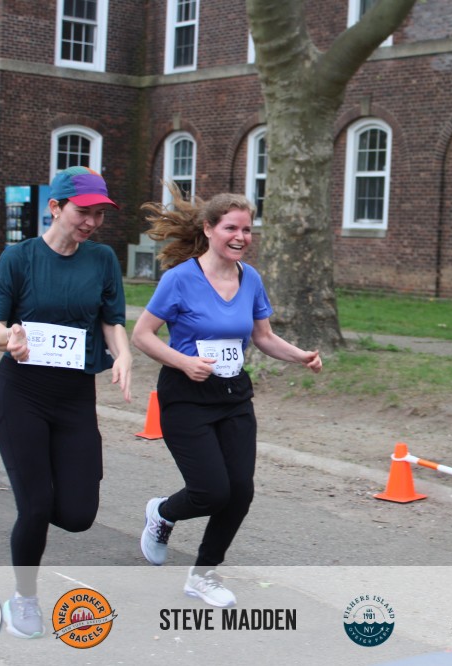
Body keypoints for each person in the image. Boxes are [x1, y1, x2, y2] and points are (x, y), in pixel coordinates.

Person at [132, 185, 321, 608]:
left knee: (240, 492)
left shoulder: (250, 278)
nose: (241, 237)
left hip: (233, 394)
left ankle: (203, 575)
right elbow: (142, 335)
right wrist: (183, 362)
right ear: (209, 229)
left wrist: (300, 356)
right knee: (210, 491)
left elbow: (263, 336)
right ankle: (162, 514)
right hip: (186, 396)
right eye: (231, 228)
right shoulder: (179, 279)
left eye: (247, 230)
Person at [0, 166, 132, 638]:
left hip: (75, 397)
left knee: (79, 515)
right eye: (83, 212)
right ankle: (24, 597)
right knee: (36, 505)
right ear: (55, 207)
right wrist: (10, 338)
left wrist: (124, 353)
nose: (91, 223)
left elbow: (111, 319)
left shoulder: (102, 259)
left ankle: (39, 510)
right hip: (22, 394)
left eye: (99, 215)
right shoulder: (19, 258)